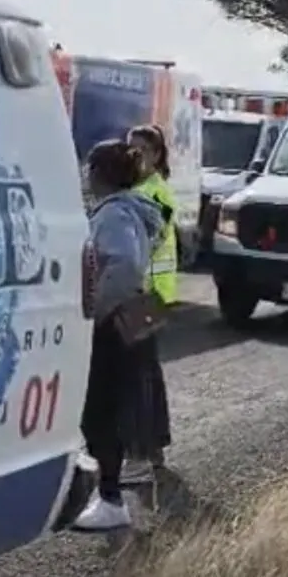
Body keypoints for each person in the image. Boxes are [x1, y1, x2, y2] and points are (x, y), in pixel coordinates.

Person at [73, 140, 164, 532]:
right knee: (120, 405)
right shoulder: (132, 208)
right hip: (137, 313)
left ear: (100, 173)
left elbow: (123, 264)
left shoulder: (113, 214)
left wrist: (96, 308)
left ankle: (110, 500)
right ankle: (110, 494)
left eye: (88, 167)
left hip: (116, 321)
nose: (84, 174)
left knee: (100, 411)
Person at [121, 123, 177, 485]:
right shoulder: (140, 190)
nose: (133, 156)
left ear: (156, 156)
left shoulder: (152, 195)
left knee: (137, 374)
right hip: (145, 293)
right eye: (130, 149)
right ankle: (152, 446)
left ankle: (140, 451)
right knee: (146, 372)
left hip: (147, 294)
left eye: (140, 150)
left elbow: (143, 244)